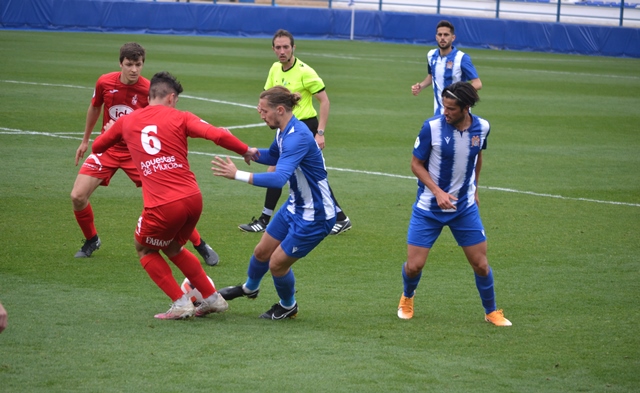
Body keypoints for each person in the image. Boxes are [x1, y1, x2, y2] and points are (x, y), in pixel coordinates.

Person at [91, 71, 259, 320]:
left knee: (145, 249)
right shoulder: (181, 117)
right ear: (171, 97)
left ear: (150, 96)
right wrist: (246, 150)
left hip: (163, 204)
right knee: (173, 246)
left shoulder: (127, 122)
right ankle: (213, 299)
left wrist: (113, 130)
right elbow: (218, 135)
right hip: (193, 199)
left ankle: (180, 303)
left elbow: (97, 147)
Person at [70, 42, 220, 266]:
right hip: (109, 149)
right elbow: (95, 107)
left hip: (138, 154)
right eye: (129, 64)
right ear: (120, 63)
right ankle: (92, 240)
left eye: (138, 65)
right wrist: (85, 141)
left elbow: (164, 120)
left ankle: (200, 244)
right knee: (77, 196)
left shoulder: (149, 90)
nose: (133, 69)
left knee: (170, 200)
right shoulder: (104, 82)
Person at [212, 86, 337, 320]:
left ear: (280, 110)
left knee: (277, 264)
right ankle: (250, 288)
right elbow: (273, 155)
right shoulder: (284, 130)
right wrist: (241, 147)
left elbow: (279, 178)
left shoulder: (297, 137)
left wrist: (237, 174)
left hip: (315, 216)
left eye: (263, 111)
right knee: (261, 251)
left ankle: (288, 305)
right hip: (295, 206)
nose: (261, 115)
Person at [397, 81, 511, 327]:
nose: (445, 112)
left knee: (481, 264)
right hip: (429, 207)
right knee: (414, 266)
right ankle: (407, 297)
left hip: (464, 208)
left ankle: (491, 311)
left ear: (466, 108)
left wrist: (475, 189)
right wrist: (438, 191)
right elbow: (416, 164)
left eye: (450, 108)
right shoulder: (432, 128)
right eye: (444, 106)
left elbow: (478, 156)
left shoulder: (483, 127)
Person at [238, 29, 351, 236]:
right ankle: (341, 217)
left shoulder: (305, 71)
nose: (282, 51)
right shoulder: (274, 69)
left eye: (286, 47)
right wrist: (263, 108)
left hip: (305, 126)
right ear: (273, 49)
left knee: (292, 172)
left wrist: (321, 132)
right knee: (304, 173)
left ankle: (265, 219)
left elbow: (324, 101)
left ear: (293, 48)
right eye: (278, 47)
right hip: (285, 125)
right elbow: (268, 94)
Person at [411, 20, 482, 116]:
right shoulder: (431, 55)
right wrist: (421, 86)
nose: (442, 38)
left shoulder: (461, 58)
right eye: (440, 35)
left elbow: (477, 83)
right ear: (436, 37)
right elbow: (432, 75)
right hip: (438, 113)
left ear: (453, 38)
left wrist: (459, 95)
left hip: (458, 114)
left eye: (446, 35)